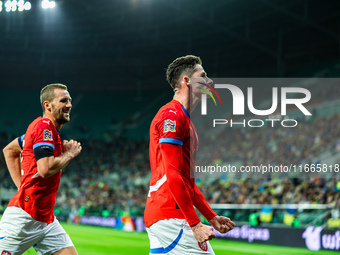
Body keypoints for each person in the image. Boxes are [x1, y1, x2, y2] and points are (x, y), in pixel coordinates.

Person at [144, 55, 235, 254]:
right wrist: (195, 224)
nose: (209, 81)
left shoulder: (187, 122)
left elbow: (188, 184)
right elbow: (172, 175)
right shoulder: (172, 115)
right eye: (203, 76)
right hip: (171, 215)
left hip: (164, 214)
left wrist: (211, 217)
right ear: (186, 81)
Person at [0, 84, 82, 255]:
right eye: (63, 101)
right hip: (24, 217)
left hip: (46, 219)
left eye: (70, 101)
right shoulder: (44, 127)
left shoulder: (48, 132)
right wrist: (70, 154)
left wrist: (21, 185)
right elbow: (45, 170)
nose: (69, 105)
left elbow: (9, 150)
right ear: (47, 105)